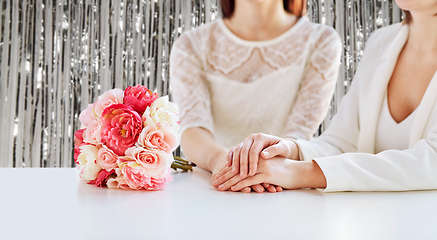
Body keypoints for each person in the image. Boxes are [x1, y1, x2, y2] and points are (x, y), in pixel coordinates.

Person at [213, 0, 437, 193]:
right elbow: (342, 142)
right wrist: (290, 151)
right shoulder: (381, 42)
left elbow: (432, 161)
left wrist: (297, 173)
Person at [170, 0, 341, 193]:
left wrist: (273, 166)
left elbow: (299, 132)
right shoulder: (191, 45)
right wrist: (223, 162)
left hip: (284, 191)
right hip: (211, 188)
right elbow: (193, 129)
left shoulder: (321, 40)